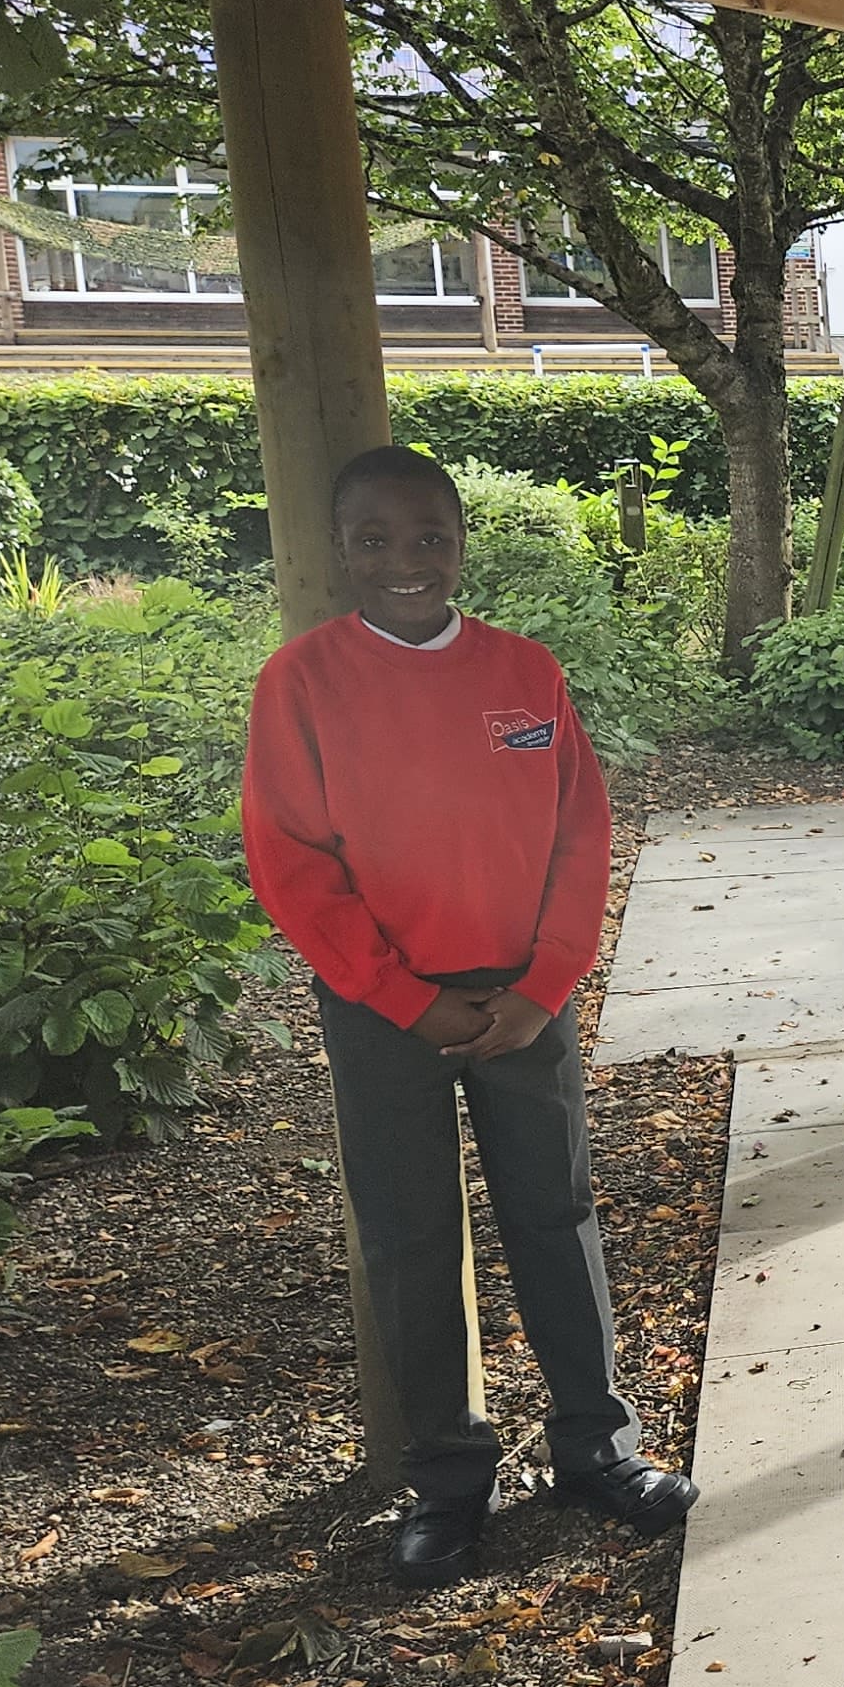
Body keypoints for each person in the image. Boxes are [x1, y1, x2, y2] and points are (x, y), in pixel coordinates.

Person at [239, 448, 697, 1591]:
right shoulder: (301, 683)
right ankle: (449, 1479)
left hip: (522, 998)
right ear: (342, 550)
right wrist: (406, 997)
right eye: (378, 541)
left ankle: (596, 1449)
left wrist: (545, 984)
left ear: (459, 543)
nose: (407, 561)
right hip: (383, 1006)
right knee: (409, 1236)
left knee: (556, 1213)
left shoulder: (523, 674)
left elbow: (579, 832)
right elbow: (290, 861)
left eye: (430, 537)